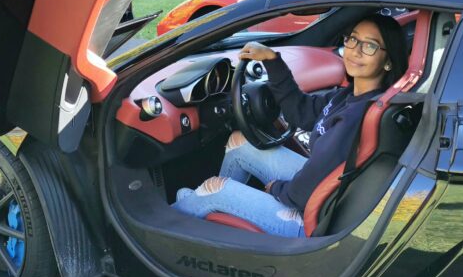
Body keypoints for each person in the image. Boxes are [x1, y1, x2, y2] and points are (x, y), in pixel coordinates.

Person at [172, 14, 408, 237]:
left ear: (388, 62)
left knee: (215, 187)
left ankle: (177, 219)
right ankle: (205, 208)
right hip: (323, 190)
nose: (355, 50)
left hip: (313, 218)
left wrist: (277, 189)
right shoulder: (349, 97)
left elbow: (303, 193)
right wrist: (273, 61)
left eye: (369, 46)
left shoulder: (355, 117)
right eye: (353, 39)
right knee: (238, 142)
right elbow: (301, 112)